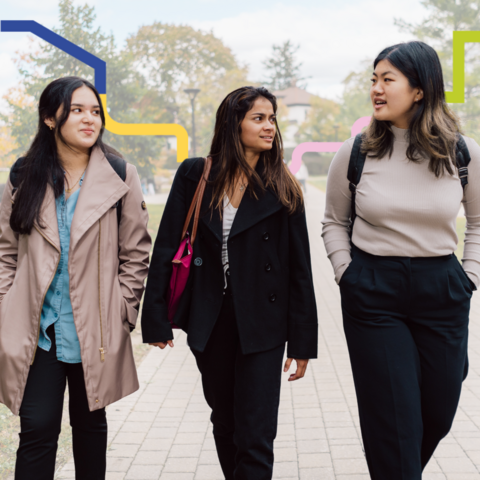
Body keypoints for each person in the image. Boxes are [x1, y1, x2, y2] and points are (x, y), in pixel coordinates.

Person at [142, 86, 318, 480]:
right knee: (225, 423)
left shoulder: (285, 187)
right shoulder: (196, 174)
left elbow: (299, 270)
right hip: (211, 317)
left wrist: (303, 341)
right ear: (233, 123)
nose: (269, 126)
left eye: (272, 118)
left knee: (256, 434)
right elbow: (168, 243)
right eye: (259, 118)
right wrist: (155, 316)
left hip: (264, 322)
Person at [322, 41, 480, 479]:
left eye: (387, 79)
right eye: (373, 79)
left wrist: (469, 277)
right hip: (374, 292)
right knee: (393, 418)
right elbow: (334, 221)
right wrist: (346, 273)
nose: (376, 88)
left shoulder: (462, 153)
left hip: (443, 288)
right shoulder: (355, 152)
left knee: (439, 411)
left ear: (419, 89)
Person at [0, 76, 151, 480]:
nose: (90, 119)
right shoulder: (22, 176)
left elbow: (135, 253)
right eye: (78, 110)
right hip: (39, 334)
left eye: (95, 111)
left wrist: (123, 310)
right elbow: (5, 252)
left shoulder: (120, 174)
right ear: (50, 118)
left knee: (90, 430)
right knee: (36, 429)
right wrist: (6, 307)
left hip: (95, 331)